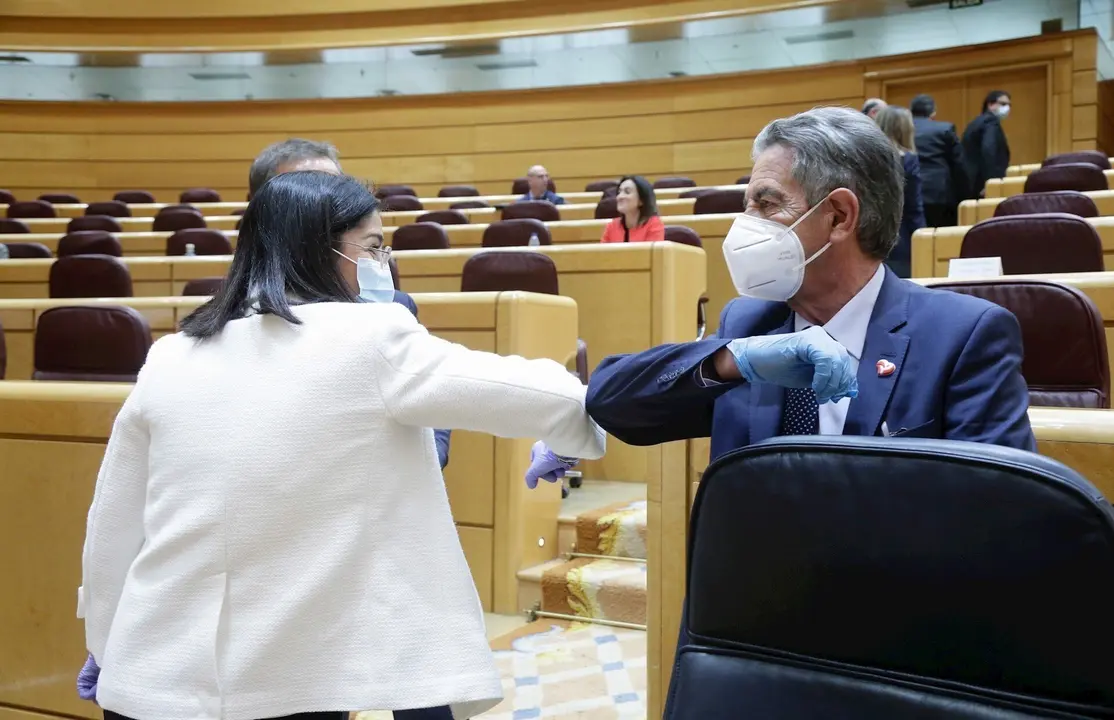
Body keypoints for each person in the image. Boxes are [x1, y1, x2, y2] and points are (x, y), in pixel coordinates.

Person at [76, 171, 606, 720]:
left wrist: (103, 641)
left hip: (151, 674)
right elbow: (543, 393)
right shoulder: (371, 337)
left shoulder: (171, 355)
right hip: (283, 682)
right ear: (316, 250)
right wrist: (567, 440)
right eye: (374, 246)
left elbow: (112, 527)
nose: (383, 263)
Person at [583, 106, 1034, 458]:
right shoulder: (750, 323)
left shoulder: (964, 335)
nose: (745, 224)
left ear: (838, 217)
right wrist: (729, 361)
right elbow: (611, 403)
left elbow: (997, 510)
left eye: (766, 204)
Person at [248, 138, 451, 468]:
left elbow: (436, 398)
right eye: (307, 190)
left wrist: (424, 457)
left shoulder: (392, 309)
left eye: (335, 187)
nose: (327, 205)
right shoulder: (232, 320)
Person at [875, 106, 925, 278]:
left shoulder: (864, 158)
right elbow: (913, 206)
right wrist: (922, 238)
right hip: (899, 237)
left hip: (865, 236)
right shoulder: (908, 160)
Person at [910, 93, 968, 228]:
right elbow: (959, 164)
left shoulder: (903, 130)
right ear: (933, 112)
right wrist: (965, 195)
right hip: (940, 194)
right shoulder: (945, 129)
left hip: (911, 193)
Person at [962, 90, 1011, 198]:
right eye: (1003, 104)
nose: (1007, 108)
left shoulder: (975, 122)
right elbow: (989, 150)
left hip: (971, 183)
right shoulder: (990, 122)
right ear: (990, 104)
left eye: (1009, 105)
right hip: (983, 184)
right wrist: (990, 181)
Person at [600, 175, 665, 243]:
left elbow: (651, 253)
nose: (620, 197)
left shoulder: (654, 225)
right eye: (619, 192)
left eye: (627, 192)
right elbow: (602, 253)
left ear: (641, 200)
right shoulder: (611, 227)